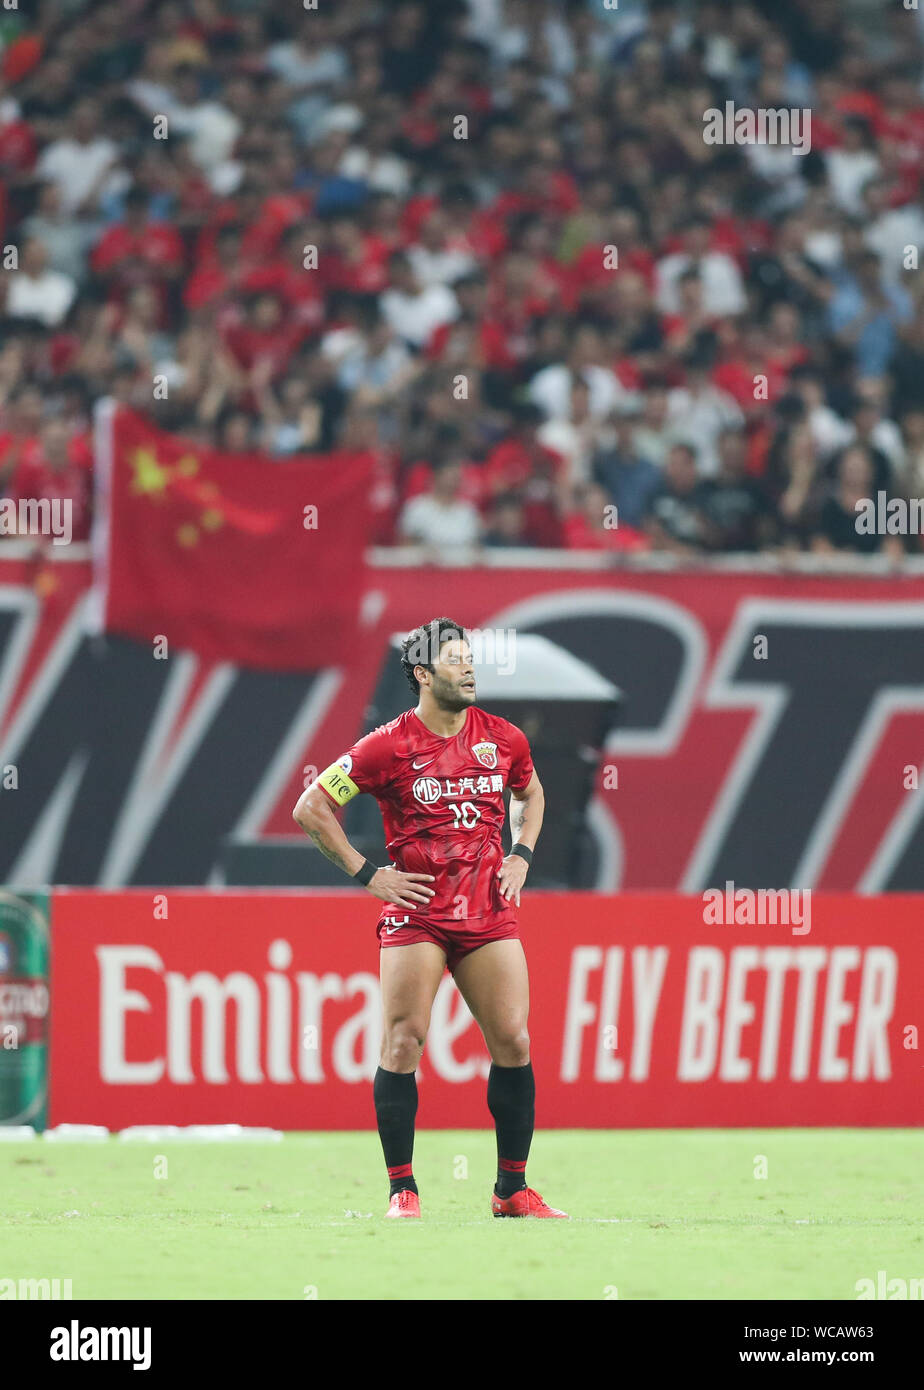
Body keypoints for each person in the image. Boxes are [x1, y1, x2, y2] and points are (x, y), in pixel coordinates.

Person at [292, 617, 566, 1220]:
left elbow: (532, 794)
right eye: (455, 659)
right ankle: (402, 1190)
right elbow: (311, 807)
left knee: (515, 1041)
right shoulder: (385, 745)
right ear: (422, 673)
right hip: (418, 914)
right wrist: (370, 875)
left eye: (471, 658)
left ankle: (511, 1189)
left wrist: (521, 854)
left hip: (488, 911)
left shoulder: (505, 738)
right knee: (403, 1040)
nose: (469, 668)